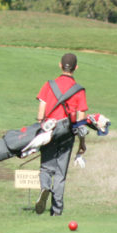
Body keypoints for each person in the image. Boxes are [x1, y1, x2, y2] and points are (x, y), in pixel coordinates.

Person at [34, 53, 88, 216]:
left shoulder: (48, 85)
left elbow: (41, 112)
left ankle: (45, 187)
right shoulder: (79, 90)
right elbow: (81, 120)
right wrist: (82, 144)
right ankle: (56, 210)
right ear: (76, 68)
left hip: (48, 130)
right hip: (67, 133)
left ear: (60, 65)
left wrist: (40, 129)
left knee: (45, 168)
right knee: (60, 173)